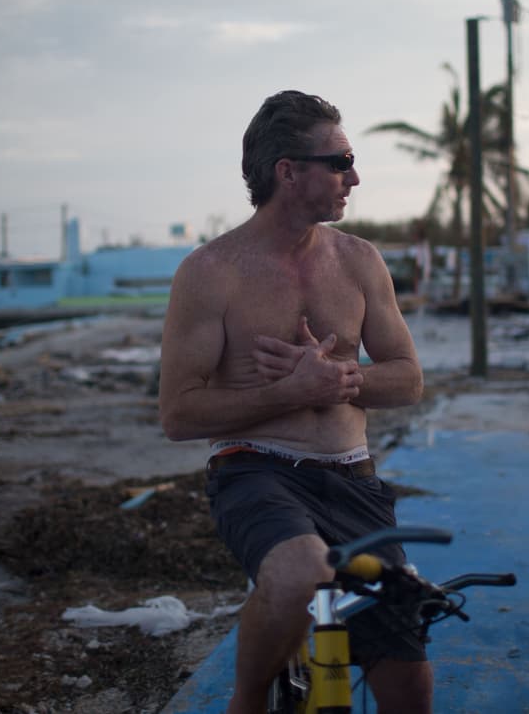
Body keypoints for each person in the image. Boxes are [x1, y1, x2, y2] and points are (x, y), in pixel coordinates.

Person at [158, 90, 430, 713]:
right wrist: (289, 391)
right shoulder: (211, 271)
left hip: (353, 479)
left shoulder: (360, 261)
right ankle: (248, 701)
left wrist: (339, 380)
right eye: (340, 161)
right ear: (288, 170)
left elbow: (409, 380)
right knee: (299, 569)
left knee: (409, 688)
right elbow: (178, 415)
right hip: (257, 471)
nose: (353, 177)